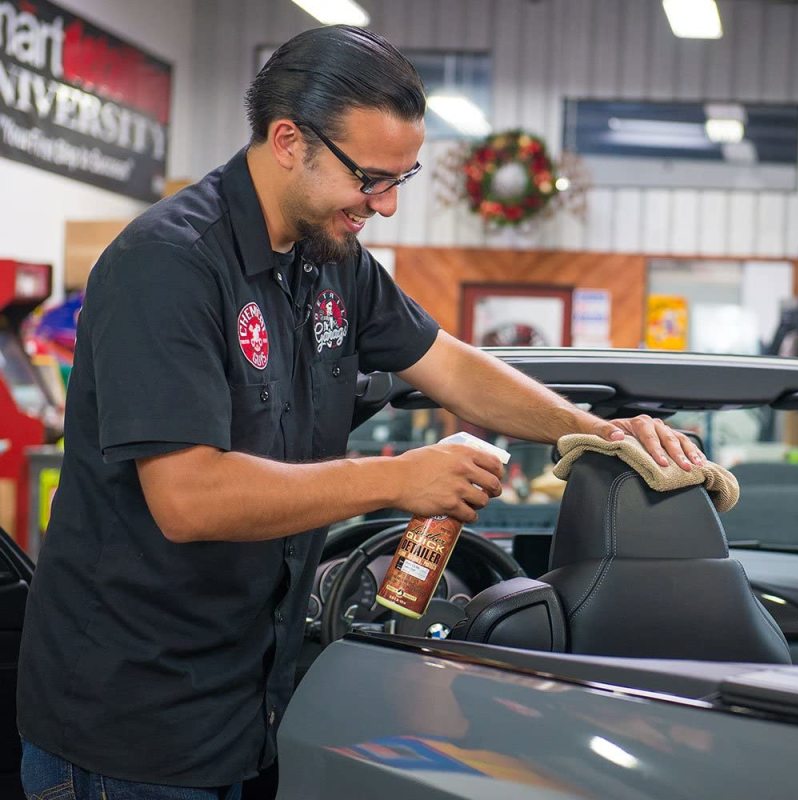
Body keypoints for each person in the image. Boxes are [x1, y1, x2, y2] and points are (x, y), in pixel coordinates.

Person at [16, 24, 704, 800]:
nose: (386, 205)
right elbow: (188, 498)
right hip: (127, 724)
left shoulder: (331, 261)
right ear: (288, 141)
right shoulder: (169, 264)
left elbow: (450, 365)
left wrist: (598, 431)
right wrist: (397, 479)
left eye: (401, 179)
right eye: (370, 179)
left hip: (249, 705)